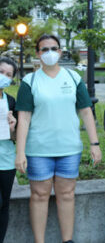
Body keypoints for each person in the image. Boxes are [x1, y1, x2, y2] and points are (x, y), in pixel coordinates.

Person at [15, 34, 102, 243]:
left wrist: (95, 143)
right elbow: (24, 118)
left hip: (69, 149)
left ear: (61, 52)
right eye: (44, 49)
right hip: (39, 150)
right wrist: (20, 152)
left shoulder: (73, 78)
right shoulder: (30, 81)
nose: (50, 53)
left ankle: (67, 240)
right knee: (39, 195)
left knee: (67, 195)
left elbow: (86, 111)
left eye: (54, 48)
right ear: (38, 53)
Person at [0, 57, 17, 243]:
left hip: (5, 160)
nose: (3, 77)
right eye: (1, 71)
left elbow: (15, 138)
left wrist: (13, 127)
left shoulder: (10, 102)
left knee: (4, 205)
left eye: (8, 75)